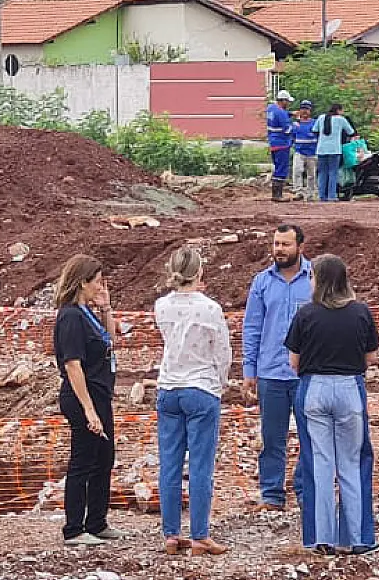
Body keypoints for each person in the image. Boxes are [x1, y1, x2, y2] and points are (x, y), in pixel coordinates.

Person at [285, 254, 379, 556]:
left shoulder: (305, 314)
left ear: (319, 280)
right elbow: (371, 358)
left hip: (314, 388)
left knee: (319, 464)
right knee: (352, 463)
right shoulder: (361, 312)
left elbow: (293, 361)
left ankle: (320, 537)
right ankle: (358, 538)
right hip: (350, 388)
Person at [154, 247, 232, 556]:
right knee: (201, 465)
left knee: (170, 464)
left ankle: (171, 534)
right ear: (199, 273)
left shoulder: (161, 306)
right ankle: (200, 534)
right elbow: (222, 352)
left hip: (169, 387)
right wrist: (221, 384)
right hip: (201, 387)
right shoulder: (210, 309)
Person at [53, 254, 129, 546]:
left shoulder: (87, 313)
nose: (101, 286)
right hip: (83, 397)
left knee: (103, 458)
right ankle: (73, 528)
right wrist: (88, 409)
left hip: (99, 394)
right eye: (97, 282)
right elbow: (73, 365)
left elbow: (109, 341)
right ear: (82, 282)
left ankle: (97, 522)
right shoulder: (71, 316)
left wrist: (107, 308)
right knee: (83, 460)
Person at [242, 224, 312, 511]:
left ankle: (306, 490)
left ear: (300, 247)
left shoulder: (314, 280)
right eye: (276, 244)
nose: (279, 249)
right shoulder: (261, 282)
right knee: (272, 437)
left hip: (306, 372)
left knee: (311, 435)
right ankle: (272, 494)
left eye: (285, 244)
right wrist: (249, 370)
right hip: (271, 373)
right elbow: (252, 327)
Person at [313, 105, 354, 202]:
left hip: (321, 149)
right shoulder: (341, 119)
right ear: (339, 110)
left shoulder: (321, 117)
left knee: (322, 173)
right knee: (333, 173)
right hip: (335, 150)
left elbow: (315, 130)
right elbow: (350, 131)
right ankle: (332, 195)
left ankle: (321, 195)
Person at [267, 90, 296, 202]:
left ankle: (276, 193)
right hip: (282, 144)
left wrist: (290, 113)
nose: (288, 103)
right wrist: (296, 125)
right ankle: (277, 195)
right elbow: (287, 129)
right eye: (287, 101)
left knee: (277, 167)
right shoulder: (282, 113)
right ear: (283, 101)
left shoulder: (271, 108)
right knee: (282, 169)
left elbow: (279, 116)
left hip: (273, 142)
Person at [292, 100, 319, 201]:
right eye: (303, 109)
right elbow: (292, 137)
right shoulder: (296, 124)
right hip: (299, 151)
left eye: (307, 109)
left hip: (312, 152)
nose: (305, 111)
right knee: (297, 171)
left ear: (310, 110)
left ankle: (311, 194)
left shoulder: (315, 123)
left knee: (311, 175)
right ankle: (298, 192)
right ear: (299, 110)